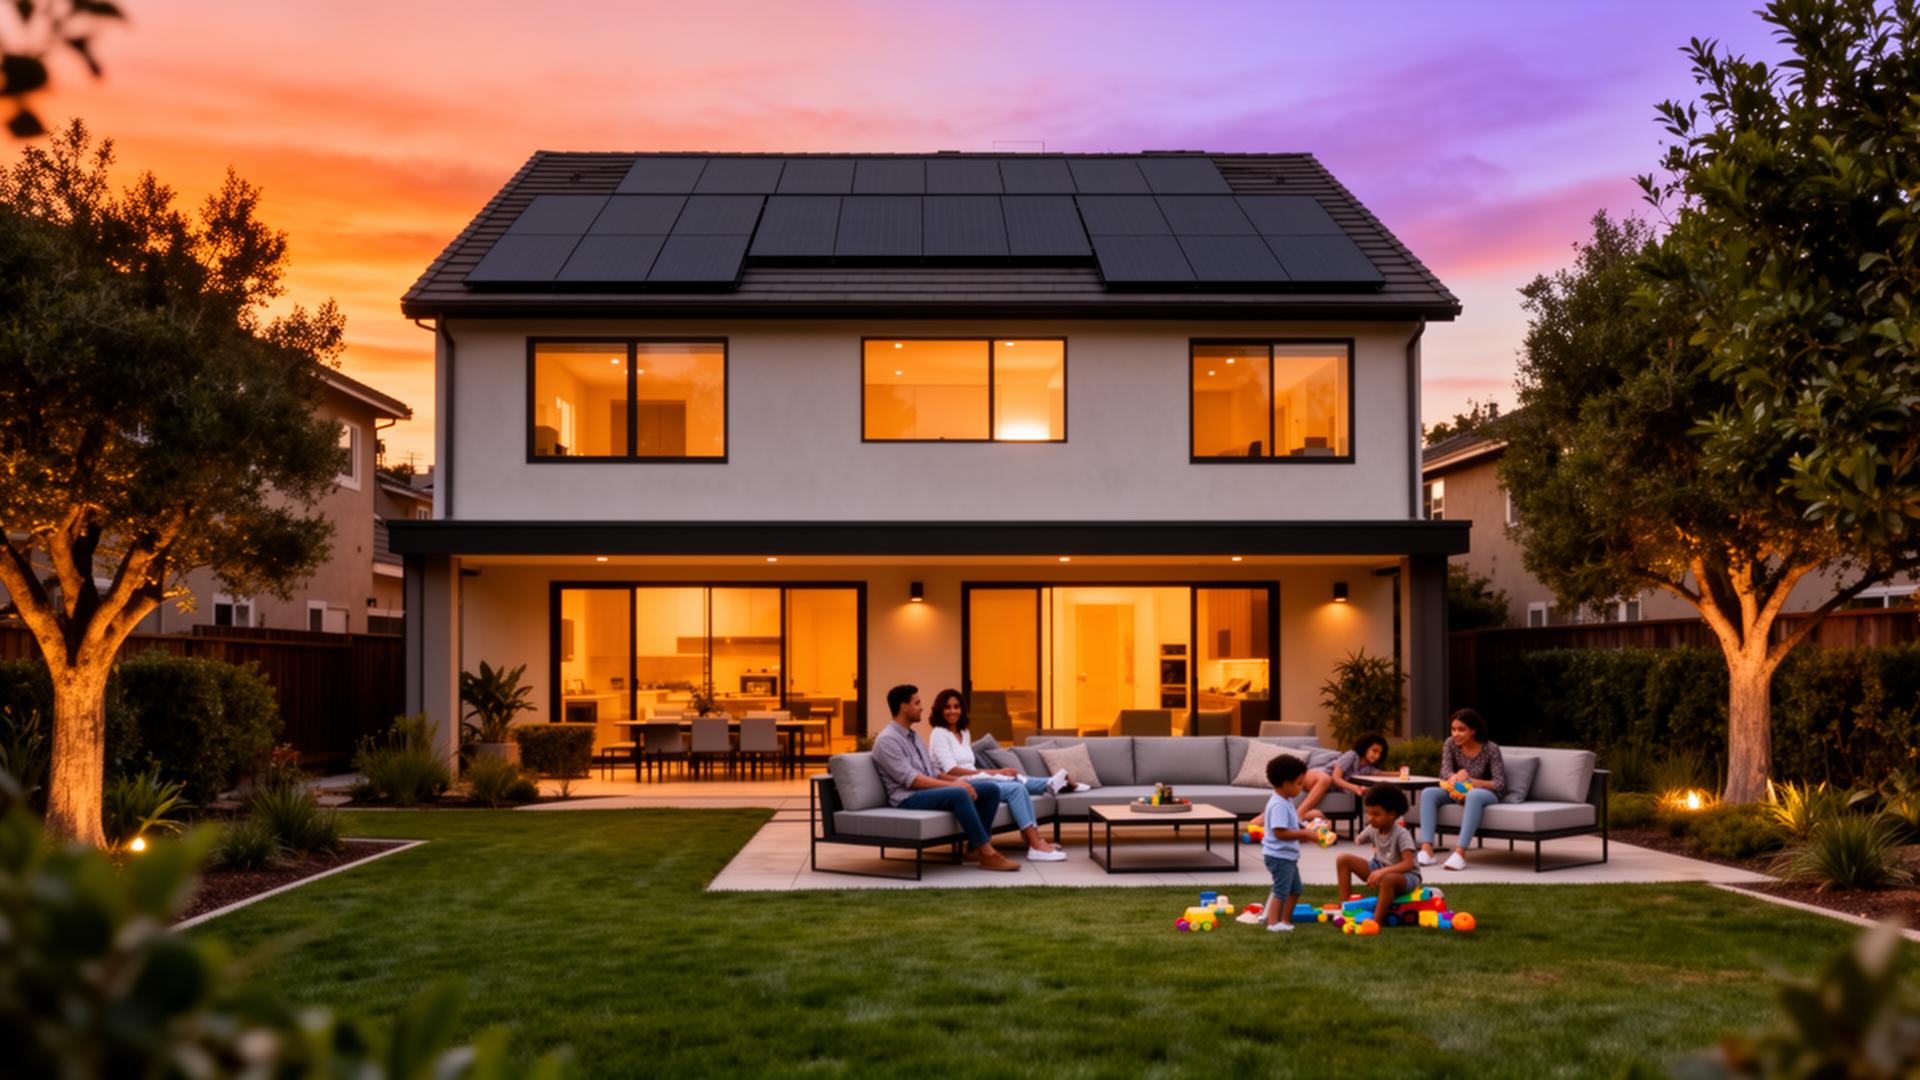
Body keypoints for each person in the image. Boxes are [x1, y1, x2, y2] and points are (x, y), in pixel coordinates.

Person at [869, 684, 1018, 872]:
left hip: (925, 791)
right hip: (907, 798)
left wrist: (957, 782)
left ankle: (973, 849)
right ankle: (988, 854)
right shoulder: (887, 740)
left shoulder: (914, 736)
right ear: (903, 707)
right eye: (917, 703)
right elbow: (913, 780)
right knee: (959, 794)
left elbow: (932, 770)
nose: (922, 707)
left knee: (990, 789)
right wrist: (956, 788)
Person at [925, 688, 1068, 861]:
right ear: (940, 710)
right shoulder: (939, 734)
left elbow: (968, 763)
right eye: (947, 707)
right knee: (1015, 787)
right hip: (959, 783)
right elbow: (951, 770)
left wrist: (990, 773)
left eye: (956, 707)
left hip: (975, 779)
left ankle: (1035, 842)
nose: (952, 711)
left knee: (1015, 784)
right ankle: (1037, 840)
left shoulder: (964, 732)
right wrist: (994, 771)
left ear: (962, 709)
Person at [1415, 708, 1507, 871]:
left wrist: (1470, 781)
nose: (1456, 734)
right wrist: (1455, 777)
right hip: (1456, 790)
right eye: (1453, 729)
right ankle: (1427, 850)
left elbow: (1499, 783)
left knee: (1473, 795)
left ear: (1473, 730)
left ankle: (1460, 853)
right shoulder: (1450, 744)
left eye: (1461, 730)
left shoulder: (1491, 748)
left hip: (1485, 794)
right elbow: (1444, 772)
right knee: (1428, 793)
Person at [1256, 754, 1323, 933]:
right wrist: (1306, 834)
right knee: (1281, 890)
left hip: (1287, 855)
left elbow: (1292, 823)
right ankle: (1272, 923)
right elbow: (1280, 833)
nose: (1301, 788)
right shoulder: (1278, 804)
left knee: (1295, 890)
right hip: (1278, 856)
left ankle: (1284, 920)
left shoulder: (1287, 800)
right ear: (1286, 784)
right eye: (1299, 784)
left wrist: (1309, 827)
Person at [1335, 784, 1420, 921]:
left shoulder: (1402, 835)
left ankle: (1375, 921)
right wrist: (1358, 839)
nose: (1370, 818)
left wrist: (1383, 872)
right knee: (1343, 859)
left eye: (1376, 814)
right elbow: (1360, 838)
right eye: (1368, 813)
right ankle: (1344, 907)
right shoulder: (1373, 827)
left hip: (1405, 877)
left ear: (1392, 814)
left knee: (1387, 879)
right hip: (1379, 867)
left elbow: (1408, 864)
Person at [1330, 732, 1390, 797]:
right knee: (1325, 779)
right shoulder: (1351, 755)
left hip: (1334, 787)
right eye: (1374, 751)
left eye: (1380, 753)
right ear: (1365, 747)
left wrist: (1401, 772)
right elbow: (1335, 778)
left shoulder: (1367, 768)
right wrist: (1356, 788)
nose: (1377, 756)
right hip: (1323, 776)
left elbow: (1381, 773)